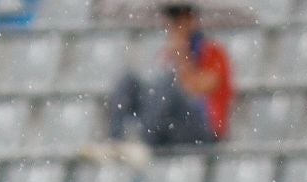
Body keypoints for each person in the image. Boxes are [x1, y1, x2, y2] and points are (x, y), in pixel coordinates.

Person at [98, 3, 234, 164]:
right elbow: (153, 91)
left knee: (167, 84)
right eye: (174, 19)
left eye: (182, 19)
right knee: (128, 79)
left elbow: (194, 89)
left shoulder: (214, 52)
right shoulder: (166, 53)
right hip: (169, 126)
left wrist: (182, 55)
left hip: (204, 131)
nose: (177, 25)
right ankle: (116, 142)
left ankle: (143, 142)